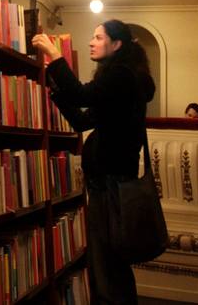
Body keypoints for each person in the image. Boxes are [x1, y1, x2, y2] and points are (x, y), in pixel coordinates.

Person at [32, 20, 155, 305]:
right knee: (109, 261)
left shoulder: (122, 75)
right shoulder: (121, 78)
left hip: (111, 181)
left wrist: (55, 55)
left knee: (106, 262)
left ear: (117, 44)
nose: (91, 41)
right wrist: (56, 90)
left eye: (99, 37)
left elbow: (81, 95)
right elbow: (82, 120)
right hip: (106, 180)